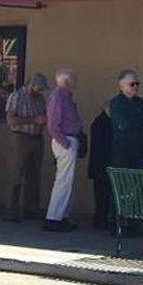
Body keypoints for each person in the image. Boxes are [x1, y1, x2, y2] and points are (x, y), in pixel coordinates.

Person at [3, 73, 48, 222]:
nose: (40, 91)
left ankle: (31, 207)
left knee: (34, 175)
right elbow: (11, 120)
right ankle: (11, 208)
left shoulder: (40, 99)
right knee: (17, 173)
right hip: (20, 137)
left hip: (37, 138)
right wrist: (33, 120)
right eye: (38, 88)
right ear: (31, 84)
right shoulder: (17, 97)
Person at [45, 68, 82, 232]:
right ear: (66, 81)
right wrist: (65, 144)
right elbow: (52, 125)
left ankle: (62, 216)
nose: (75, 83)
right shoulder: (58, 97)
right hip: (64, 140)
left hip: (69, 139)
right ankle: (53, 218)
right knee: (63, 181)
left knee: (69, 182)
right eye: (73, 79)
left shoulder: (66, 97)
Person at [108, 70, 143, 170]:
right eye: (131, 84)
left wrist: (133, 121)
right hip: (122, 151)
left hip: (139, 149)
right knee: (125, 182)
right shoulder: (116, 103)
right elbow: (123, 125)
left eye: (137, 83)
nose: (135, 86)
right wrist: (141, 120)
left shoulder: (139, 102)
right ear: (122, 86)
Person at [87, 102, 114, 231]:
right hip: (103, 164)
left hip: (99, 164)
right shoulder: (103, 123)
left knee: (101, 194)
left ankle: (100, 219)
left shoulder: (98, 122)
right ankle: (101, 220)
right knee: (103, 194)